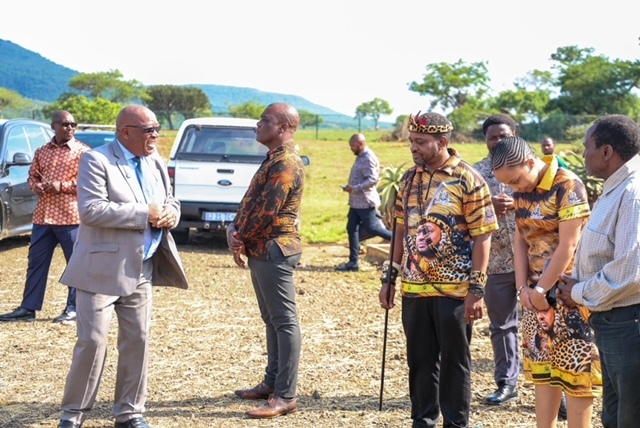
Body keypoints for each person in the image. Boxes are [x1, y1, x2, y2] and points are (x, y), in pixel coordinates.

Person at [56, 105, 189, 428]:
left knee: (138, 340)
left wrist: (172, 213)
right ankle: (72, 415)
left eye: (157, 128)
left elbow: (170, 200)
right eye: (149, 130)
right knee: (92, 342)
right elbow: (91, 210)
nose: (156, 135)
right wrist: (146, 212)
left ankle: (129, 413)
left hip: (142, 267)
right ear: (125, 132)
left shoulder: (156, 162)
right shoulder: (97, 160)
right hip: (100, 269)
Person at [379, 111, 498, 428]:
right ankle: (423, 421)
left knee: (455, 364)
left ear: (442, 142)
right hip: (413, 289)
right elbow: (400, 230)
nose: (413, 147)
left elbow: (483, 236)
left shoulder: (468, 179)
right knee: (420, 362)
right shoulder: (409, 178)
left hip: (454, 292)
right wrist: (390, 278)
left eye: (420, 142)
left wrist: (477, 290)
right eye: (412, 141)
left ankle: (455, 423)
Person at [492, 136, 601, 428]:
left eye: (516, 180)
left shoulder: (568, 185)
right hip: (535, 300)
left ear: (530, 162)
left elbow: (569, 244)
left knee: (577, 375)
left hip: (570, 295)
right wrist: (523, 289)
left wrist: (542, 289)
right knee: (543, 373)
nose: (515, 189)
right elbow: (520, 240)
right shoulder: (521, 190)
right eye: (509, 185)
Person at [556, 114, 640, 428]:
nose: (583, 153)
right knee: (614, 416)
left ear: (606, 152)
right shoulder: (616, 188)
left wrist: (577, 292)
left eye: (586, 146)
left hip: (628, 322)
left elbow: (629, 270)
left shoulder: (632, 194)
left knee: (630, 417)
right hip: (613, 320)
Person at [226, 103, 305, 419]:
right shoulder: (273, 158)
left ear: (284, 127)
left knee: (284, 321)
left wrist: (239, 236)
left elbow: (268, 209)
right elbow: (251, 202)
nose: (258, 125)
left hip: (276, 249)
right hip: (262, 248)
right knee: (272, 319)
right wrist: (234, 229)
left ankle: (285, 395)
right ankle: (272, 382)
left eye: (265, 121)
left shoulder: (286, 162)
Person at [0, 111, 89, 324]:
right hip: (43, 217)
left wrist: (62, 186)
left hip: (70, 217)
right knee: (36, 263)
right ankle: (28, 309)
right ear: (53, 126)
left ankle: (74, 308)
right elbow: (32, 176)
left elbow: (89, 182)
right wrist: (36, 186)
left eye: (73, 124)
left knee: (75, 265)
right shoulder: (42, 151)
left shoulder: (83, 152)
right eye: (65, 124)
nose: (70, 128)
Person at [473, 114, 520, 406]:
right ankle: (507, 382)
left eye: (504, 136)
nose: (498, 141)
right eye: (493, 137)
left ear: (515, 134)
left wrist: (521, 202)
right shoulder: (475, 174)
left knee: (547, 323)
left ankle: (557, 389)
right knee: (502, 326)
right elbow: (462, 211)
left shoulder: (534, 169)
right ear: (486, 140)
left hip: (536, 260)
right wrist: (488, 205)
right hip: (496, 261)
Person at [337, 133, 392, 272]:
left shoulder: (368, 158)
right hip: (356, 202)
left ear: (361, 144)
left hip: (365, 202)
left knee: (373, 228)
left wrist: (355, 188)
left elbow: (373, 179)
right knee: (352, 229)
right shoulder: (361, 157)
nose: (351, 148)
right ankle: (353, 262)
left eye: (353, 146)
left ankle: (400, 242)